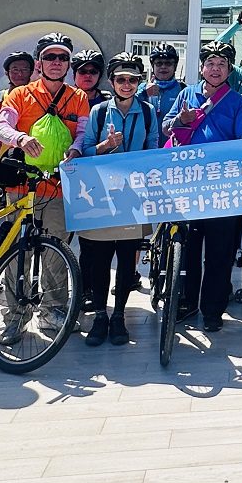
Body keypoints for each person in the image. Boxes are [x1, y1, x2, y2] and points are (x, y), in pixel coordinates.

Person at [0, 32, 91, 334]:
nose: (56, 62)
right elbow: (1, 126)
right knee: (15, 255)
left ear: (69, 64)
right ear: (39, 63)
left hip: (58, 186)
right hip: (21, 186)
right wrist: (19, 138)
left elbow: (83, 133)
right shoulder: (20, 94)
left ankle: (52, 311)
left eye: (62, 58)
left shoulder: (79, 97)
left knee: (56, 253)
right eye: (50, 57)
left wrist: (76, 149)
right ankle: (14, 316)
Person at [162, 39, 242, 332]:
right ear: (202, 67)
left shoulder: (239, 102)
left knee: (220, 251)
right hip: (186, 184)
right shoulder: (185, 94)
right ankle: (187, 303)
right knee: (187, 247)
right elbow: (165, 127)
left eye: (222, 64)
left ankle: (213, 309)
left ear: (230, 69)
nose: (215, 69)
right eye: (210, 63)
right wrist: (181, 118)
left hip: (222, 185)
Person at [69, 52, 158, 347]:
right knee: (98, 260)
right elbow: (87, 149)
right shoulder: (98, 112)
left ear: (139, 82)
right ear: (112, 81)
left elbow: (153, 150)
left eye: (133, 80)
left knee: (125, 259)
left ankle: (119, 315)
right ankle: (100, 316)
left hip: (132, 195)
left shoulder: (147, 111)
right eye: (121, 79)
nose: (127, 84)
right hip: (101, 195)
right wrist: (107, 145)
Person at [144, 43, 184, 120]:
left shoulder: (183, 90)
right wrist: (144, 92)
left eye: (168, 63)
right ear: (153, 66)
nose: (163, 67)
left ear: (175, 67)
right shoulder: (142, 88)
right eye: (159, 63)